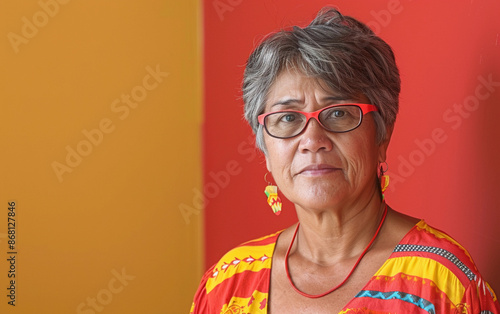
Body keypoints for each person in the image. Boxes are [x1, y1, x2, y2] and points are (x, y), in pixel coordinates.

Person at [190, 7, 500, 313]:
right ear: (266, 148)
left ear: (382, 135)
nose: (312, 141)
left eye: (338, 113)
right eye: (287, 118)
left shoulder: (441, 283)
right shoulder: (228, 284)